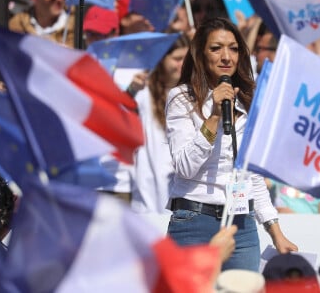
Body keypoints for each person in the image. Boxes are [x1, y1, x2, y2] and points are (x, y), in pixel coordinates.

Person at [165, 17, 297, 271]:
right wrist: (214, 117)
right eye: (216, 48)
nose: (227, 57)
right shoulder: (182, 98)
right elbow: (184, 167)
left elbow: (252, 176)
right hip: (194, 223)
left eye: (234, 49)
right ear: (201, 54)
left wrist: (275, 232)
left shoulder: (248, 100)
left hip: (243, 226)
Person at [127, 34, 190, 213]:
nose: (182, 65)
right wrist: (131, 90)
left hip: (182, 187)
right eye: (177, 59)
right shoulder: (144, 91)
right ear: (162, 59)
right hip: (149, 190)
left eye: (186, 59)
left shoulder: (193, 93)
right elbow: (119, 111)